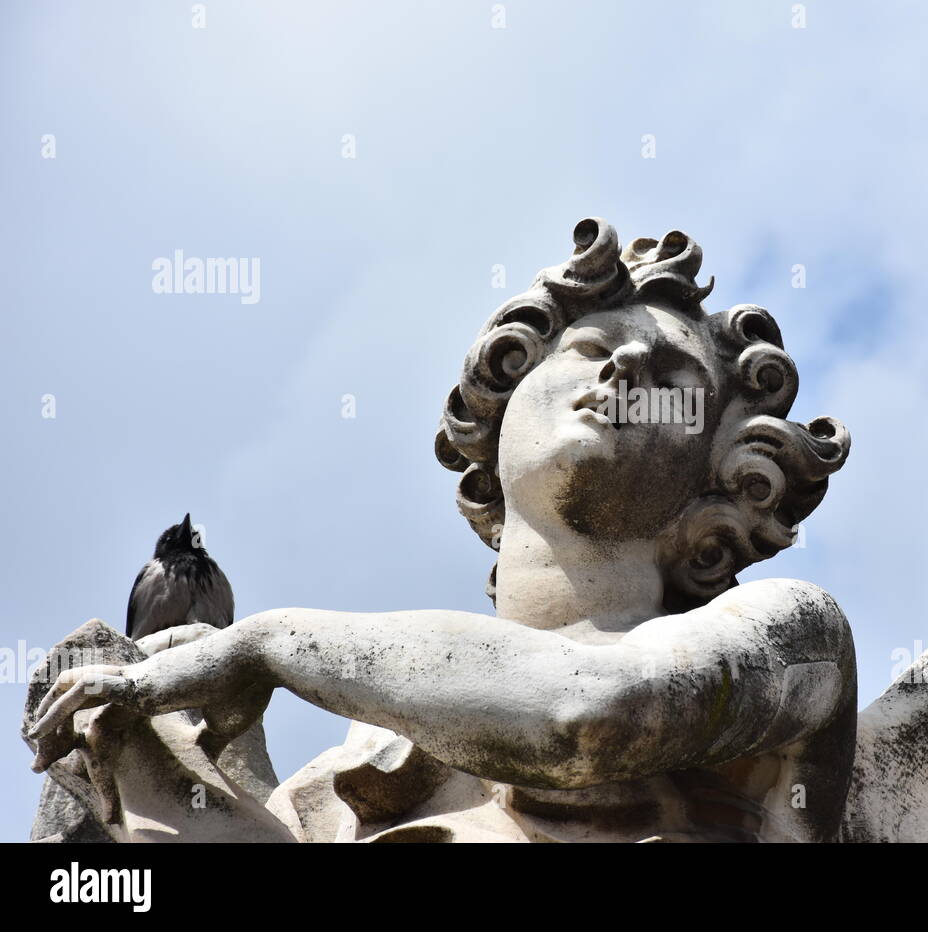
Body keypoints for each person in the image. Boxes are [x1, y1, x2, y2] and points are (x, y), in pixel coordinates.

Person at [28, 218, 854, 842]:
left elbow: (584, 715)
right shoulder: (348, 780)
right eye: (593, 344)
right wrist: (158, 755)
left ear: (719, 491)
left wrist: (264, 645)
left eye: (671, 379)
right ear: (499, 417)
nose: (626, 369)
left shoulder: (785, 639)